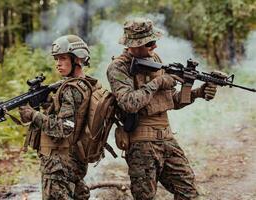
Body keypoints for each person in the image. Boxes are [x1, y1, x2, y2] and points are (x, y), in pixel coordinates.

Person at [107, 18, 218, 200]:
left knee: (188, 191)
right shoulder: (119, 67)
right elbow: (129, 102)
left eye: (154, 41)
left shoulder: (155, 60)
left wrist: (198, 92)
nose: (155, 46)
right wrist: (158, 82)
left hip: (166, 138)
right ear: (134, 45)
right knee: (145, 196)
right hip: (141, 143)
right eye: (150, 43)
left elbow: (171, 101)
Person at [19, 35, 94, 200]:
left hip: (58, 165)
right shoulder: (85, 83)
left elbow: (63, 128)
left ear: (77, 59)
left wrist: (33, 115)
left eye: (63, 58)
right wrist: (49, 104)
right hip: (74, 160)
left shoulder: (71, 89)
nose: (58, 63)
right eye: (56, 59)